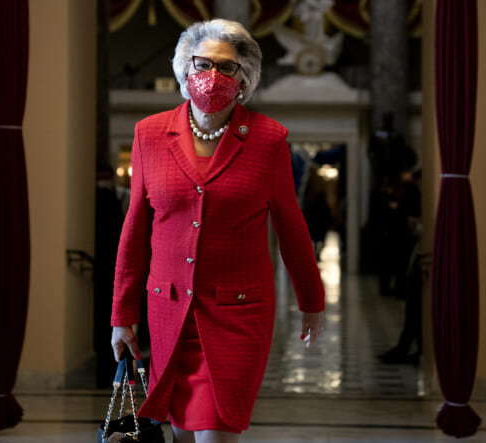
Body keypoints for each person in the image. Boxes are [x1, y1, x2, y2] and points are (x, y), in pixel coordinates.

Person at [110, 19, 325, 443]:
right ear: (184, 68)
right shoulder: (149, 135)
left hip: (237, 313)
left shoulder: (268, 140)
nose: (213, 75)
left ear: (244, 78)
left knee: (217, 431)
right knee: (182, 433)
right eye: (203, 63)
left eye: (227, 67)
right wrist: (122, 316)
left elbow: (291, 226)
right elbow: (134, 230)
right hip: (170, 310)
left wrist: (312, 301)